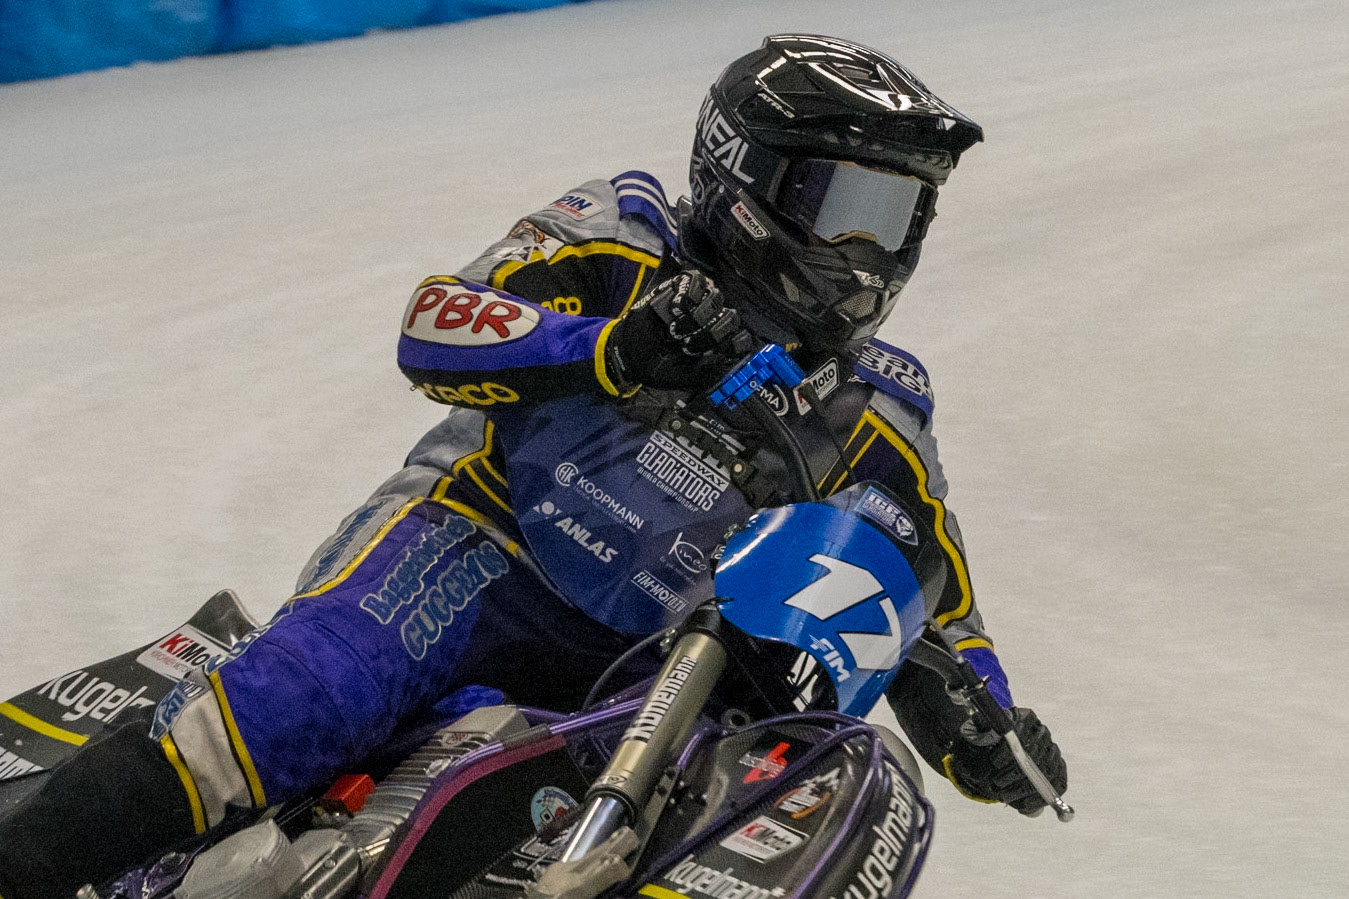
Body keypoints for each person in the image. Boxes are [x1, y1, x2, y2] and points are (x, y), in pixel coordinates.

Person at [0, 34, 1066, 898]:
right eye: (847, 207)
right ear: (747, 177)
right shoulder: (622, 231)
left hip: (660, 669)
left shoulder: (879, 402)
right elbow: (439, 323)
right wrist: (614, 347)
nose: (869, 254)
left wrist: (984, 714)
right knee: (277, 712)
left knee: (745, 786)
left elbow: (927, 581)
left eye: (898, 216)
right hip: (475, 548)